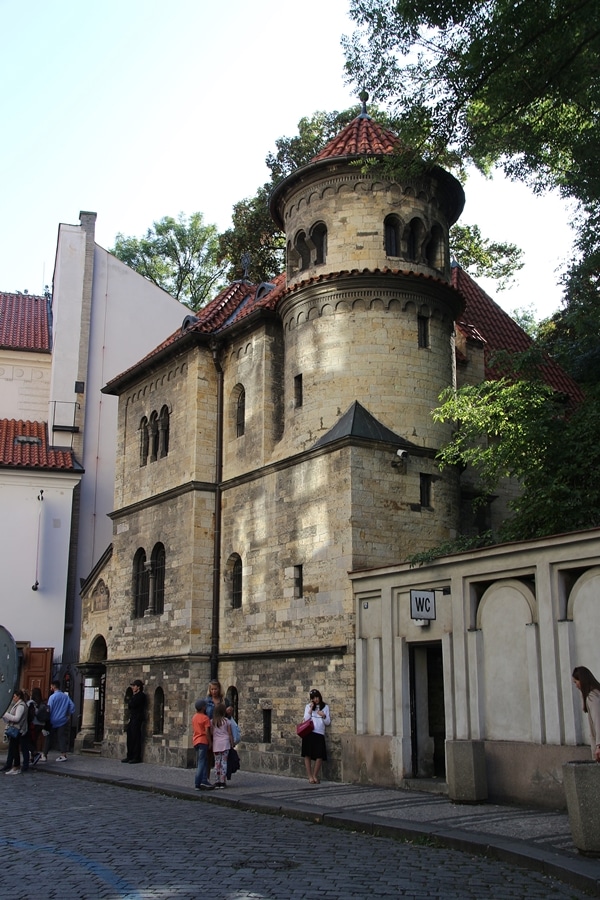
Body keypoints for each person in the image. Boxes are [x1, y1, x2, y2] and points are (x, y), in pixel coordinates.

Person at [301, 688, 331, 784]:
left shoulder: (325, 707)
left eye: (317, 697)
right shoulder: (308, 706)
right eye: (314, 698)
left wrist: (323, 715)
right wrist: (310, 709)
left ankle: (315, 775)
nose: (316, 699)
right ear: (311, 699)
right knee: (307, 754)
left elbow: (327, 722)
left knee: (319, 755)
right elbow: (305, 719)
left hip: (319, 733)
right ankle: (310, 776)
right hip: (309, 733)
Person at [572, 666, 600, 761]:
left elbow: (598, 721)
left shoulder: (592, 697)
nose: (576, 686)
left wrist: (598, 746)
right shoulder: (597, 694)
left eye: (576, 682)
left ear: (582, 680)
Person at [46, 680, 75, 762]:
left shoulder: (52, 697)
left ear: (54, 686)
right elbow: (72, 706)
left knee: (49, 737)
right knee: (61, 737)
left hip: (53, 720)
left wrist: (46, 718)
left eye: (51, 686)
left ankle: (44, 754)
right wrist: (68, 714)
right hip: (62, 720)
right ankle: (63, 754)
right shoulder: (65, 696)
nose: (50, 687)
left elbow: (49, 708)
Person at [2, 689, 28, 774]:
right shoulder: (16, 704)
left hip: (18, 729)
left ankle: (17, 766)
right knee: (13, 748)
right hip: (15, 729)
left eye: (14, 696)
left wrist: (5, 714)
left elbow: (16, 718)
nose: (13, 698)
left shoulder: (21, 705)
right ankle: (12, 765)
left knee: (17, 748)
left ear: (18, 696)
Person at [122, 679, 147, 764]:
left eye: (134, 686)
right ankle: (130, 755)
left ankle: (136, 757)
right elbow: (130, 705)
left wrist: (131, 702)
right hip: (132, 717)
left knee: (136, 737)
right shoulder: (134, 696)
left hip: (137, 718)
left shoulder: (141, 696)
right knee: (130, 737)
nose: (133, 687)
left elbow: (133, 704)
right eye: (132, 686)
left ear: (138, 687)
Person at [211, 702, 233, 789]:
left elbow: (212, 733)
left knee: (217, 763)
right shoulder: (227, 721)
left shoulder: (212, 722)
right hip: (225, 743)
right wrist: (232, 743)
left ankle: (217, 781)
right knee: (224, 763)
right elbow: (230, 733)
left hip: (216, 744)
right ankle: (223, 781)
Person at [192, 698, 213, 789]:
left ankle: (204, 780)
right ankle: (198, 783)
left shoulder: (194, 717)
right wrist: (210, 742)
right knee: (201, 762)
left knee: (202, 761)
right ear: (203, 708)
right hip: (203, 741)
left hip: (196, 740)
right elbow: (207, 732)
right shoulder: (205, 718)